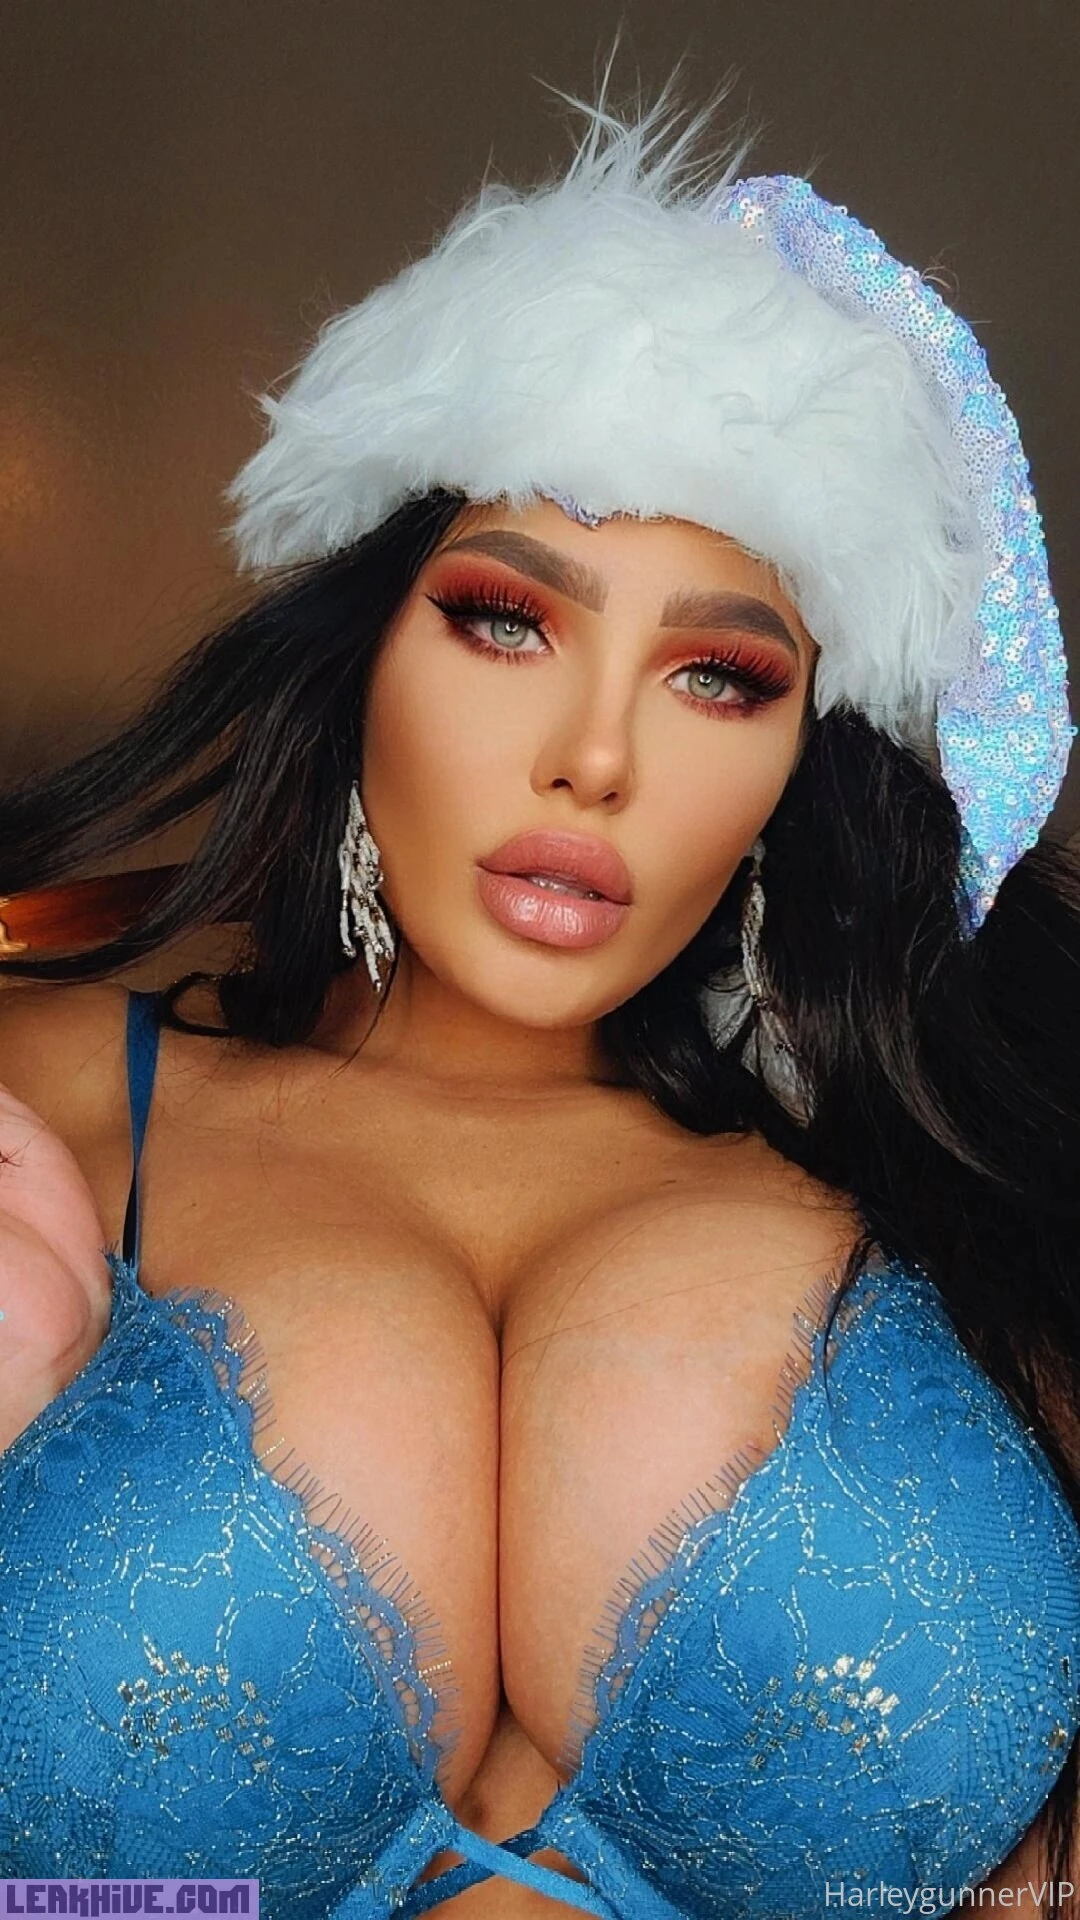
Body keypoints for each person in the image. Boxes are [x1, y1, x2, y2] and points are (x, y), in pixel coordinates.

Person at [0, 63, 1078, 1920]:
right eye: (507, 620)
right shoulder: (40, 1110)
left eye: (720, 677)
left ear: (796, 766)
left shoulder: (961, 1188)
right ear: (362, 654)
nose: (596, 756)